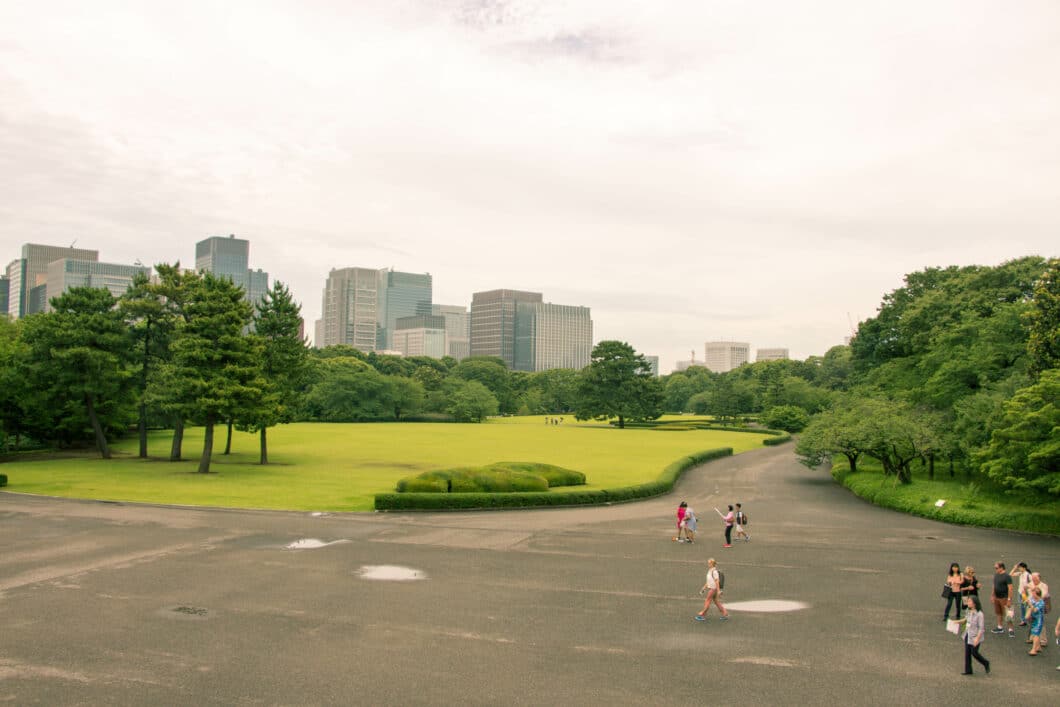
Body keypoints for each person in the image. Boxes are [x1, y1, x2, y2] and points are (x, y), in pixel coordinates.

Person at [957, 594, 990, 675]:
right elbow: (965, 620)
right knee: (967, 652)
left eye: (969, 601)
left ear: (974, 603)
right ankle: (968, 670)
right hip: (968, 634)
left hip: (975, 636)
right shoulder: (968, 611)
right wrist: (955, 622)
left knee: (974, 653)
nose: (968, 602)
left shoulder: (980, 614)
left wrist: (977, 638)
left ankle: (985, 662)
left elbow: (981, 628)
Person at [990, 561, 1014, 636]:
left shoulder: (1007, 576)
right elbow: (994, 586)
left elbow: (1010, 588)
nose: (995, 569)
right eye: (995, 568)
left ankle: (1011, 630)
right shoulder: (996, 575)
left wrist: (1009, 599)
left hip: (1004, 598)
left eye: (996, 568)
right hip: (997, 597)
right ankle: (1000, 627)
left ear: (1001, 568)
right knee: (999, 613)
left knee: (1008, 614)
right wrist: (992, 595)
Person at [1027, 587, 1046, 656]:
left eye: (1033, 593)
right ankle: (1038, 647)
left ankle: (1033, 650)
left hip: (1039, 620)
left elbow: (1035, 610)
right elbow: (1029, 606)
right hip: (1033, 618)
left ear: (1037, 594)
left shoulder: (1041, 602)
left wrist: (1030, 604)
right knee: (1034, 632)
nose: (1032, 594)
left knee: (1036, 634)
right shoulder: (1032, 599)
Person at [1011, 562, 1030, 628]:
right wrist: (1014, 568)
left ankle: (1025, 619)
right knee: (1022, 605)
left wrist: (1026, 588)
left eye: (1020, 567)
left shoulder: (1028, 575)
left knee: (1025, 605)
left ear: (1024, 568)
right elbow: (1011, 574)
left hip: (1025, 593)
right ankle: (1024, 619)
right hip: (1020, 592)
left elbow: (1032, 583)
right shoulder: (1020, 573)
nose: (1019, 568)